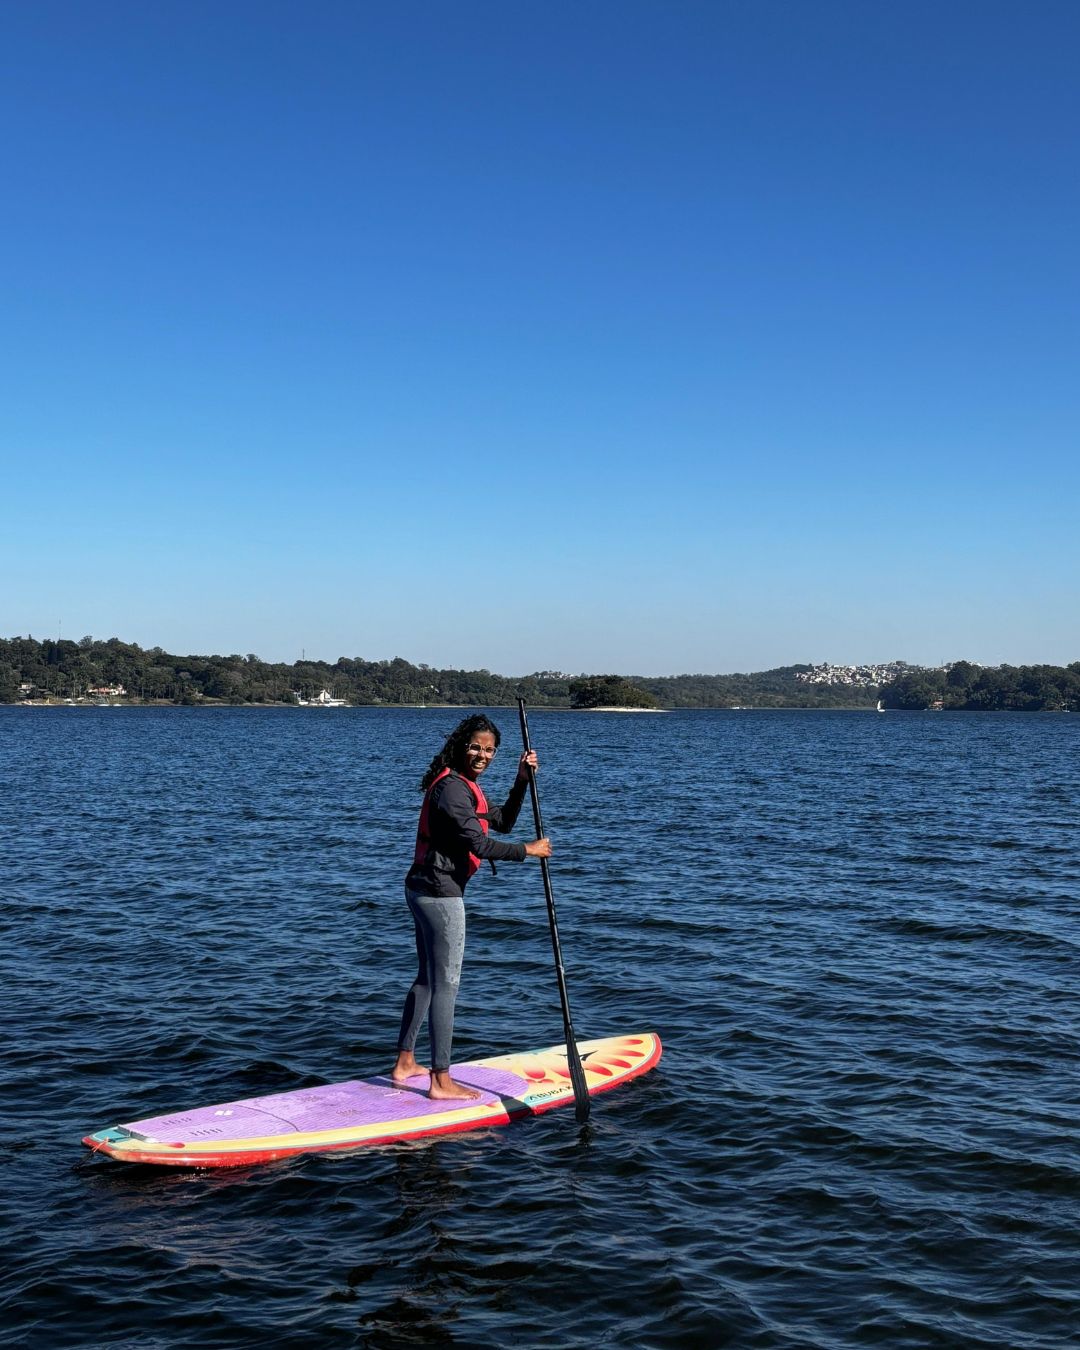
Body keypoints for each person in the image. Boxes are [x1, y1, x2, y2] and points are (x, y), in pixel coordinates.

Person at [391, 714, 552, 1100]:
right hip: (440, 895)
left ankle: (405, 1063)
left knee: (428, 979)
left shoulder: (465, 788)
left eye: (490, 749)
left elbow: (504, 823)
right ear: (462, 746)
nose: (483, 754)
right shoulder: (451, 790)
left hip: (424, 888)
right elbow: (479, 845)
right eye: (476, 747)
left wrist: (520, 781)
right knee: (446, 985)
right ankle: (440, 1080)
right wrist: (528, 852)